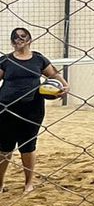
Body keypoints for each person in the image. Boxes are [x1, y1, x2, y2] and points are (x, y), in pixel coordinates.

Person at [0, 28, 69, 194]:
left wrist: (64, 85)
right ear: (11, 42)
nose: (18, 40)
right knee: (4, 147)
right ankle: (0, 184)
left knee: (28, 146)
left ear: (29, 40)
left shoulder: (38, 59)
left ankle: (28, 183)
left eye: (22, 37)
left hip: (33, 109)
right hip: (6, 107)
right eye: (15, 38)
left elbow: (53, 74)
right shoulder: (5, 61)